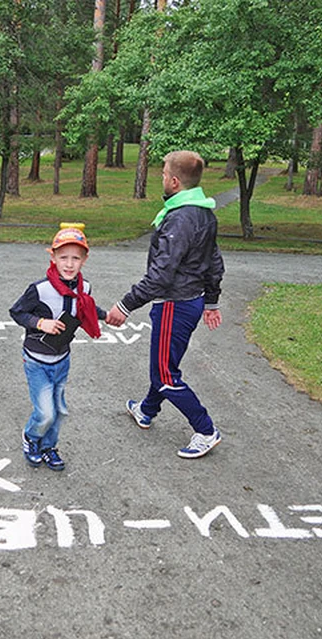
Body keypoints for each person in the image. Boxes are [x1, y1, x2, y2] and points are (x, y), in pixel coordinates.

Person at [104, 150, 225, 460]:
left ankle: (206, 429)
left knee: (165, 375)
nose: (161, 179)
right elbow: (214, 262)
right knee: (165, 365)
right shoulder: (203, 212)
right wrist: (210, 301)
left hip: (174, 305)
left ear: (174, 181)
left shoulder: (181, 217)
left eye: (162, 175)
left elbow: (161, 275)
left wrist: (125, 305)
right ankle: (146, 410)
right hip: (191, 302)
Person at [9, 226, 106, 471]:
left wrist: (108, 315)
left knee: (59, 411)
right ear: (52, 257)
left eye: (76, 257)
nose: (70, 263)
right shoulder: (40, 289)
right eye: (63, 257)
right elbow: (17, 312)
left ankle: (49, 446)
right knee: (45, 413)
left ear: (85, 259)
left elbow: (86, 311)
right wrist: (40, 323)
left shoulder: (84, 288)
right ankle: (31, 437)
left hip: (62, 359)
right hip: (36, 360)